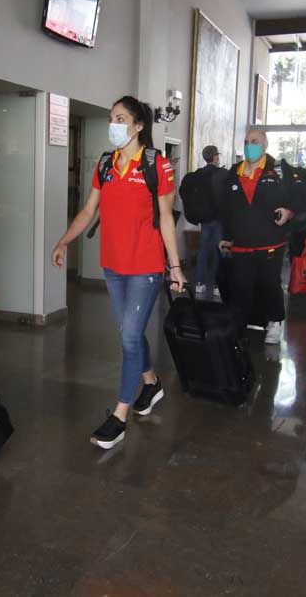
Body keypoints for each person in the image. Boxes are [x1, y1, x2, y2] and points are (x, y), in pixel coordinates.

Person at [51, 96, 185, 451]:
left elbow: (167, 219)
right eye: (112, 117)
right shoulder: (106, 164)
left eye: (121, 118)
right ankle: (151, 382)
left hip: (145, 266)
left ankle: (120, 416)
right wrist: (64, 240)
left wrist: (174, 266)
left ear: (138, 126)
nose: (114, 123)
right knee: (131, 330)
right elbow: (88, 210)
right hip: (113, 264)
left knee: (128, 337)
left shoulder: (158, 166)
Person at [218, 127, 306, 345]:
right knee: (240, 286)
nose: (250, 145)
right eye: (247, 141)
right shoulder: (234, 172)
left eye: (255, 141)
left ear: (265, 145)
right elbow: (227, 209)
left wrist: (289, 213)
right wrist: (227, 236)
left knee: (269, 284)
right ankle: (241, 325)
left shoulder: (279, 171)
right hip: (241, 244)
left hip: (271, 242)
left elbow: (300, 201)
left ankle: (275, 322)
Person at [195, 145, 225, 297]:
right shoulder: (222, 174)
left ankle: (199, 283)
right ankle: (215, 285)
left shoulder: (198, 174)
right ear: (215, 158)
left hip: (204, 219)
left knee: (203, 251)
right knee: (218, 251)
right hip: (218, 219)